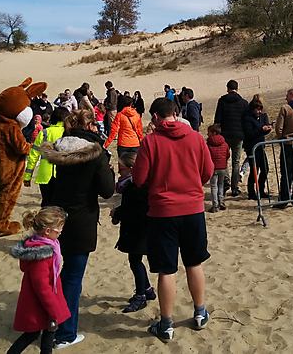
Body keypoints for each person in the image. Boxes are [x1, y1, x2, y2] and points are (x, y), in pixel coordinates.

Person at [132, 98, 214, 342]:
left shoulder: (150, 142)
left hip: (164, 212)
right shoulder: (196, 138)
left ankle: (167, 324)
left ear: (156, 117)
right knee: (194, 262)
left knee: (167, 270)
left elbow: (138, 178)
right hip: (191, 209)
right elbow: (207, 173)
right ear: (176, 113)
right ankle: (199, 312)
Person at [38, 109, 114, 349]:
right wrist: (107, 166)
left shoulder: (61, 148)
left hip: (57, 218)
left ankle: (54, 322)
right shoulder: (95, 153)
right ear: (90, 126)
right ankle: (65, 332)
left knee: (58, 274)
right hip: (80, 220)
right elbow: (107, 189)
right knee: (71, 278)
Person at [8, 207, 70, 354]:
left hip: (44, 301)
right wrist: (53, 309)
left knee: (46, 332)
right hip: (40, 303)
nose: (60, 232)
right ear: (47, 231)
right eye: (58, 229)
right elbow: (41, 286)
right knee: (35, 333)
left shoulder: (46, 246)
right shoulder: (41, 255)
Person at [111, 151, 156, 313]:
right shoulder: (138, 184)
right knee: (135, 260)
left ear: (131, 169)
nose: (119, 172)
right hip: (139, 228)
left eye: (121, 169)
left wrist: (117, 213)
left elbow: (133, 210)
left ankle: (141, 295)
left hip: (139, 229)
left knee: (135, 261)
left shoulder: (135, 186)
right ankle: (148, 289)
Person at [24, 107, 69, 207]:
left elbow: (33, 156)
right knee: (61, 205)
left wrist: (27, 176)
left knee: (46, 203)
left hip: (45, 175)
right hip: (63, 174)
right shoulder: (68, 132)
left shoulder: (44, 133)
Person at [213, 80, 249, 197]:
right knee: (236, 162)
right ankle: (234, 187)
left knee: (224, 161)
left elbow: (217, 119)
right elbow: (246, 120)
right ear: (237, 89)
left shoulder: (222, 101)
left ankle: (226, 182)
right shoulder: (243, 103)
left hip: (225, 135)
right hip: (238, 135)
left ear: (227, 88)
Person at [242, 97, 271, 200]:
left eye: (260, 109)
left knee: (265, 169)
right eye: (257, 109)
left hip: (260, 146)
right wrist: (261, 129)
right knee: (254, 170)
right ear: (252, 109)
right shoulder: (247, 118)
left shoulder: (262, 116)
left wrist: (267, 129)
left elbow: (263, 130)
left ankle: (261, 189)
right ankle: (251, 192)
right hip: (251, 147)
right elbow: (249, 133)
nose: (259, 111)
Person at [206, 124, 229, 213]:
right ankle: (221, 201)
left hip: (213, 167)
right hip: (223, 167)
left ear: (213, 133)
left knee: (214, 186)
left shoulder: (209, 144)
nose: (207, 134)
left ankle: (215, 205)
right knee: (221, 185)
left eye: (209, 132)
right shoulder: (225, 143)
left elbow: (206, 155)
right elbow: (227, 154)